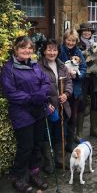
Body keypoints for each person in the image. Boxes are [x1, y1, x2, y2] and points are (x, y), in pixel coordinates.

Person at [1, 36, 50, 192]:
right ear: (16, 49)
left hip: (38, 111)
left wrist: (41, 95)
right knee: (25, 147)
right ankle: (18, 176)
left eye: (30, 48)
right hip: (22, 113)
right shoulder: (9, 68)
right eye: (23, 47)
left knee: (37, 144)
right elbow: (10, 92)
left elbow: (46, 82)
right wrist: (31, 98)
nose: (27, 51)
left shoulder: (35, 65)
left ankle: (34, 173)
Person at [38, 39, 73, 171]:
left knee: (60, 134)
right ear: (44, 51)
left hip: (61, 106)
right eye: (49, 49)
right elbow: (36, 87)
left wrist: (67, 94)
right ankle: (48, 163)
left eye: (55, 50)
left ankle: (59, 160)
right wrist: (45, 103)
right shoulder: (38, 66)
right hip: (48, 107)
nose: (52, 52)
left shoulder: (62, 65)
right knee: (47, 136)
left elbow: (69, 82)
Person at [58, 29, 87, 152]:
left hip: (75, 91)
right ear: (65, 39)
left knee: (72, 118)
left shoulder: (78, 52)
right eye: (68, 40)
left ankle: (69, 144)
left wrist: (77, 75)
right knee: (62, 118)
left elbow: (84, 68)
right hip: (62, 89)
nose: (70, 42)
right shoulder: (59, 50)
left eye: (73, 40)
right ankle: (60, 144)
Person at [76, 22, 97, 141]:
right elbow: (77, 60)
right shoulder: (77, 44)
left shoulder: (95, 44)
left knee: (96, 102)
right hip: (83, 77)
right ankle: (79, 132)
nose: (87, 32)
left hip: (95, 77)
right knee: (82, 103)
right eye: (85, 31)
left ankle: (93, 129)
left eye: (89, 30)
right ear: (81, 32)